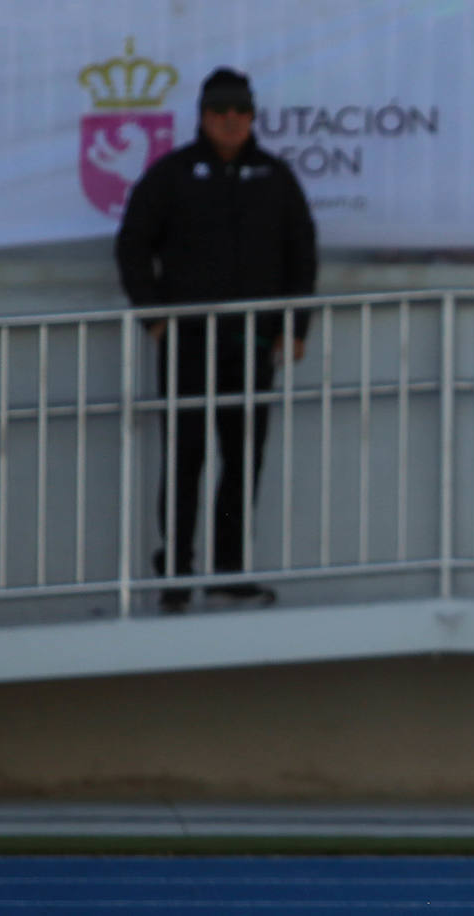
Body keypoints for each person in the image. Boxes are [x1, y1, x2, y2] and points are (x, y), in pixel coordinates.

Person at [115, 67, 317, 613]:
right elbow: (133, 244)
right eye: (220, 113)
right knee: (185, 459)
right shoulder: (174, 174)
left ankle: (230, 571)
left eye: (241, 113)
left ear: (252, 117)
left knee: (241, 459)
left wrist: (294, 328)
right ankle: (177, 573)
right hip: (188, 345)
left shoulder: (275, 178)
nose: (231, 122)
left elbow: (302, 254)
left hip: (253, 346)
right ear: (203, 117)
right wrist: (154, 318)